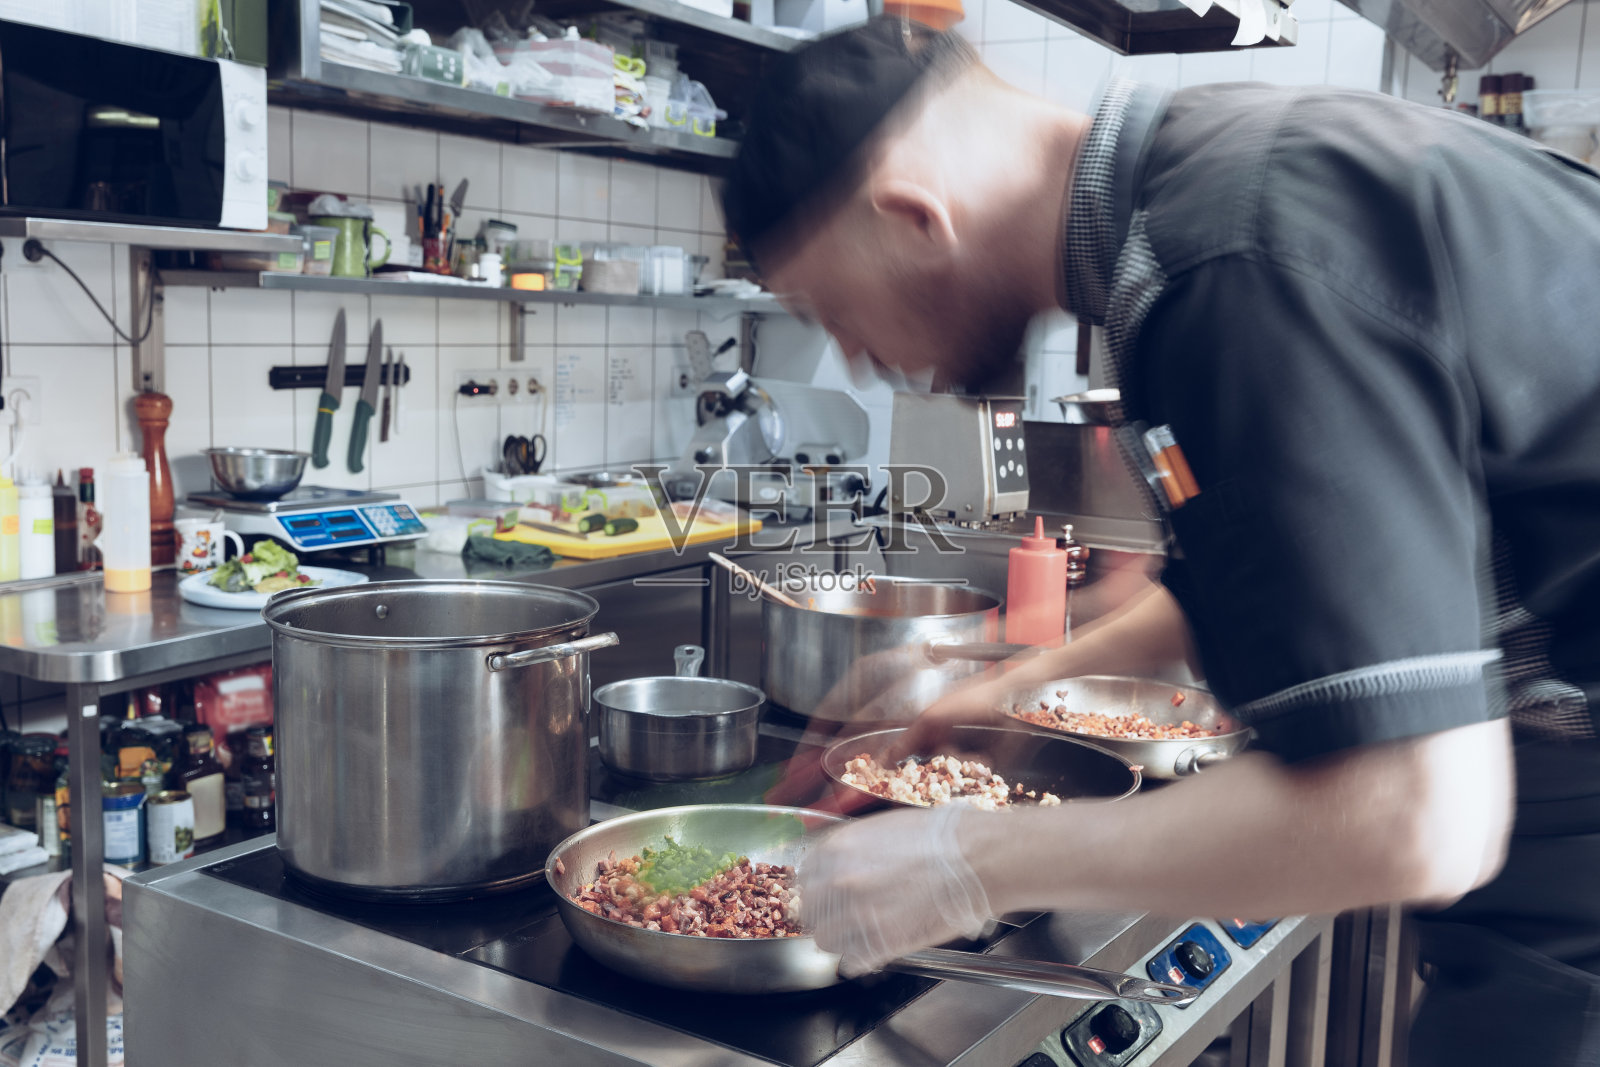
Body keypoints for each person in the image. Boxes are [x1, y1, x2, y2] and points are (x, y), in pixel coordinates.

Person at [721, 18, 1600, 1065]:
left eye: (832, 311)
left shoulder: (1224, 264)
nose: (857, 364)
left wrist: (967, 860)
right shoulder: (1197, 202)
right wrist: (1000, 690)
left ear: (913, 216)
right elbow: (1290, 569)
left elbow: (1414, 817)